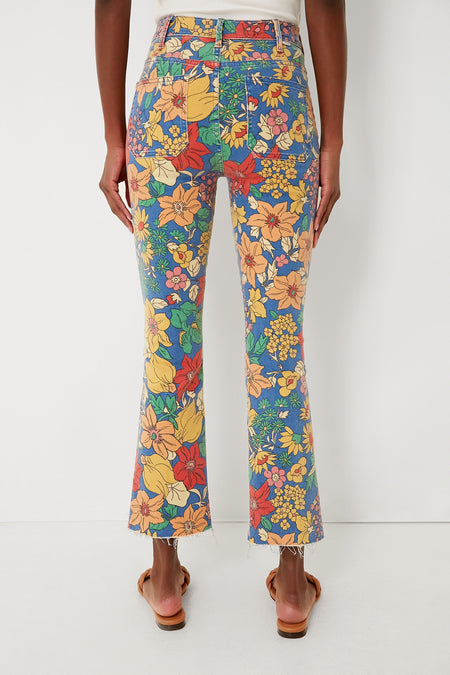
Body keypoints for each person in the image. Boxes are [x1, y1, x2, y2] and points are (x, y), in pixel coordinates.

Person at [95, 0, 347, 638]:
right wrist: (334, 141)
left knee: (169, 336)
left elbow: (111, 3)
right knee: (277, 343)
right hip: (274, 90)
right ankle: (292, 582)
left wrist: (115, 138)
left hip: (173, 89)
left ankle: (164, 572)